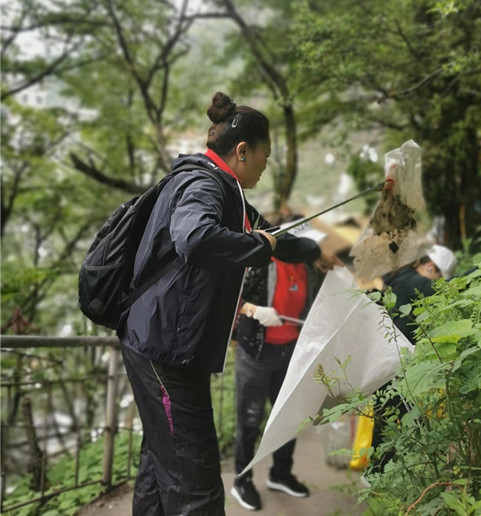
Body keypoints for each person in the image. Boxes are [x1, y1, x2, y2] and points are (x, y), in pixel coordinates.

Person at [118, 91, 341, 516]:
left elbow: (270, 232)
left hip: (161, 343)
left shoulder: (222, 188)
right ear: (243, 151)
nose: (266, 164)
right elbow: (195, 237)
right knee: (196, 481)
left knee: (162, 461)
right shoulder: (204, 183)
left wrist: (312, 252)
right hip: (164, 350)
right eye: (266, 155)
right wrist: (259, 244)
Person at [231, 219, 325, 511]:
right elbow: (224, 291)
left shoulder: (308, 266)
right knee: (250, 418)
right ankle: (242, 480)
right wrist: (252, 309)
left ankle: (280, 474)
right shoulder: (260, 258)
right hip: (256, 352)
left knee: (288, 416)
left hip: (290, 351)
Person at [369, 244, 457, 474]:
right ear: (430, 267)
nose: (436, 283)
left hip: (391, 361)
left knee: (389, 416)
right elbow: (448, 290)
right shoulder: (412, 283)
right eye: (437, 277)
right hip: (396, 365)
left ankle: (380, 471)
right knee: (390, 418)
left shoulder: (399, 279)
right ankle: (377, 473)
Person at [384, 244, 457, 343]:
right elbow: (444, 288)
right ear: (430, 267)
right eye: (439, 278)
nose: (438, 281)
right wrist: (476, 272)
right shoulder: (410, 282)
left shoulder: (403, 277)